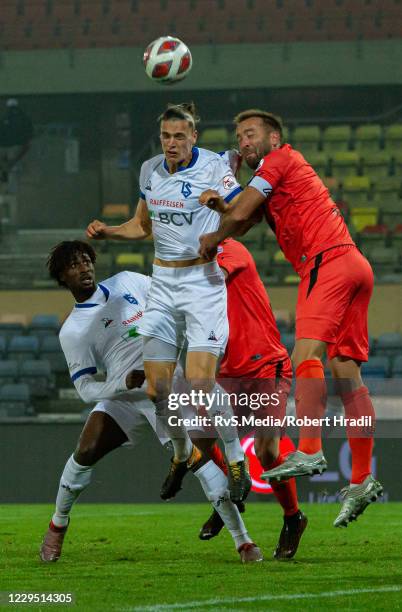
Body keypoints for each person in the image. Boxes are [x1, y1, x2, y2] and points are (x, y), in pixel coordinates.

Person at [198, 109, 383, 528]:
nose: (244, 143)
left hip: (327, 263)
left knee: (304, 356)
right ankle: (361, 478)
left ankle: (311, 448)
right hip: (354, 263)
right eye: (239, 138)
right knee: (347, 372)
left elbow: (239, 217)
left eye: (250, 135)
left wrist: (213, 233)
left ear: (274, 136)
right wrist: (222, 203)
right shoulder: (275, 178)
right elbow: (243, 220)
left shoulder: (279, 160)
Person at [40, 240, 262, 564]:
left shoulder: (128, 281)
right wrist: (119, 383)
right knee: (85, 451)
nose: (84, 268)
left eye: (86, 260)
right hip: (123, 396)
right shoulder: (72, 331)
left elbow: (171, 303)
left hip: (166, 387)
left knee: (198, 461)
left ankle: (243, 541)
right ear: (62, 277)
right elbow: (86, 389)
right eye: (74, 265)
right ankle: (57, 525)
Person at [86, 103, 252, 504]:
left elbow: (241, 213)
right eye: (166, 136)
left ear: (194, 136)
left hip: (202, 284)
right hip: (162, 283)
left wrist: (220, 206)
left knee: (198, 383)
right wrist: (108, 232)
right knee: (158, 390)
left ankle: (235, 459)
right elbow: (142, 226)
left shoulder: (213, 167)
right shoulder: (150, 170)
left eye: (180, 136)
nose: (172, 143)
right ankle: (181, 456)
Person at [196, 237, 307, 559]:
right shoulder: (189, 257)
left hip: (265, 364)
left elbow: (207, 278)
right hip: (228, 371)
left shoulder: (230, 248)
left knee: (267, 449)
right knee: (200, 439)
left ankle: (293, 517)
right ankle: (231, 492)